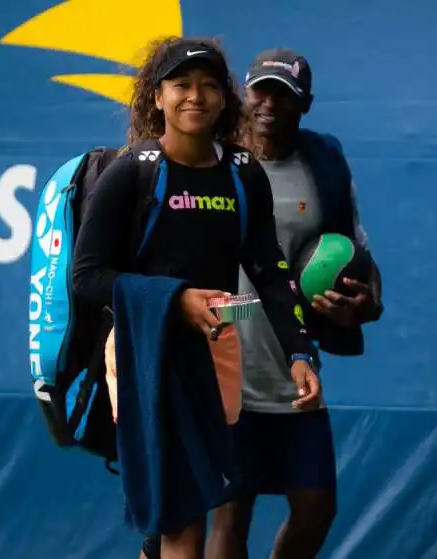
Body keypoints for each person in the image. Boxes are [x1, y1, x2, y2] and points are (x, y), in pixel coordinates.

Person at [70, 36, 320, 559]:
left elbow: (270, 270)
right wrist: (175, 299)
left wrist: (299, 352)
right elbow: (87, 278)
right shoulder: (131, 172)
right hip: (145, 355)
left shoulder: (242, 173)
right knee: (184, 518)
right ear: (156, 97)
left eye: (209, 86)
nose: (195, 97)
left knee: (172, 522)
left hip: (216, 357)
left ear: (225, 99)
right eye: (181, 84)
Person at [202, 48, 384, 559]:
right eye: (261, 90)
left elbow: (356, 254)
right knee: (231, 509)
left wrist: (366, 304)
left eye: (283, 95)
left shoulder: (322, 163)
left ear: (304, 103)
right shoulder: (214, 159)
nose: (269, 104)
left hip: (295, 365)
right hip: (225, 357)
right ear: (244, 92)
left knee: (317, 506)